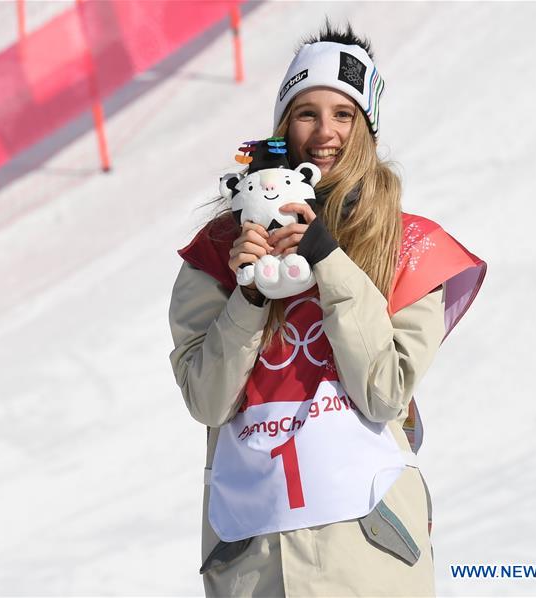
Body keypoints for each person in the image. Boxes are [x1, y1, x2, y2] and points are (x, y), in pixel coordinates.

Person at [168, 21, 486, 597]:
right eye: (306, 112)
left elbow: (384, 392)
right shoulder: (218, 252)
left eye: (344, 115)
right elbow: (207, 399)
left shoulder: (407, 247)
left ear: (367, 128)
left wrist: (330, 261)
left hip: (368, 548)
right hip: (255, 552)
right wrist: (250, 296)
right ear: (283, 124)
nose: (325, 133)